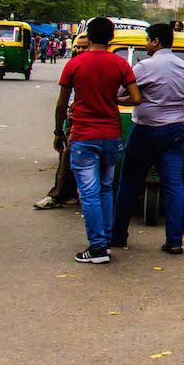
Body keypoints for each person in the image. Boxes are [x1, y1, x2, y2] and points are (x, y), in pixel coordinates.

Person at [54, 16, 140, 264]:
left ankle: (98, 247)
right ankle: (106, 239)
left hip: (83, 134)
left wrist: (58, 132)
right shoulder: (120, 64)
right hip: (110, 135)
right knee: (105, 187)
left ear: (88, 36)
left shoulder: (75, 64)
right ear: (111, 38)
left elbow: (62, 104)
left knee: (88, 192)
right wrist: (114, 101)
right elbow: (136, 97)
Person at [111, 22, 184, 254]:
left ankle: (118, 235)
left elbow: (120, 94)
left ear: (156, 41)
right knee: (174, 185)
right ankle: (175, 240)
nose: (146, 45)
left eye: (148, 40)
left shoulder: (144, 67)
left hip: (146, 130)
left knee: (128, 183)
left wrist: (132, 100)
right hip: (175, 130)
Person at [34, 34, 90, 210]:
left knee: (69, 154)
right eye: (78, 47)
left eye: (84, 46)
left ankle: (58, 194)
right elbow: (63, 102)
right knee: (67, 154)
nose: (80, 50)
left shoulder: (95, 66)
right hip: (73, 116)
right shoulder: (73, 66)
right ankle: (69, 193)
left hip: (88, 119)